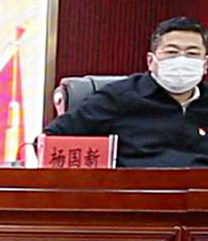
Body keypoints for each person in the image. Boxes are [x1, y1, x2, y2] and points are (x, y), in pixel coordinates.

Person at [45, 17, 208, 167]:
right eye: (171, 52)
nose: (181, 60)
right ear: (151, 61)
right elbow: (51, 139)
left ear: (205, 64)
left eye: (192, 54)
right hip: (138, 186)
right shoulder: (118, 97)